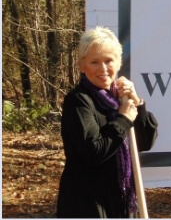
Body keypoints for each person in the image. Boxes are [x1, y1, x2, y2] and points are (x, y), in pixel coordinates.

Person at [57, 26, 158, 218]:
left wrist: (137, 103)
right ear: (82, 65)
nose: (103, 69)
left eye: (109, 60)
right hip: (88, 206)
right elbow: (94, 152)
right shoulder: (79, 101)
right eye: (94, 62)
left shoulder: (119, 99)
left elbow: (145, 142)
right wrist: (123, 119)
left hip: (122, 202)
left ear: (118, 63)